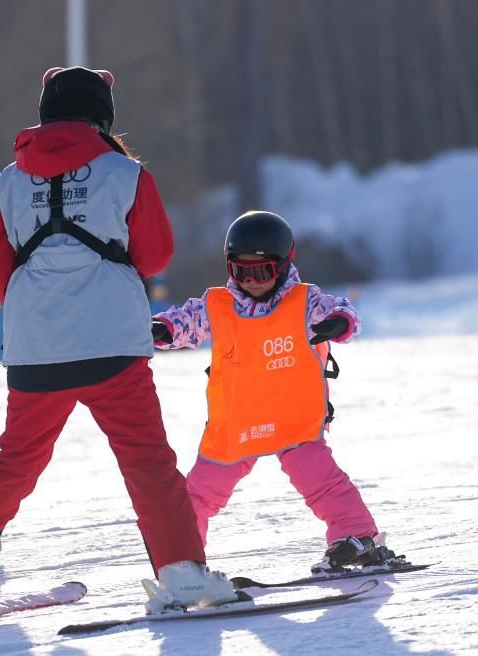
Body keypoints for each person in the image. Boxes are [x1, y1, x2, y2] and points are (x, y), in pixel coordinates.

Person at [0, 66, 239, 623]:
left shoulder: (11, 181)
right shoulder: (126, 173)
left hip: (36, 346)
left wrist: (39, 305)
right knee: (146, 462)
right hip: (112, 341)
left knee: (15, 463)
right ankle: (182, 575)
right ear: (102, 114)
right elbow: (156, 254)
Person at [152, 211, 403, 572]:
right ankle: (182, 558)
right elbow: (184, 321)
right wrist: (162, 329)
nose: (251, 280)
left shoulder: (304, 303)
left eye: (262, 271)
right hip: (236, 421)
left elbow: (343, 309)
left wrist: (339, 322)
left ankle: (356, 535)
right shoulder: (216, 306)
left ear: (284, 264)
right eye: (241, 271)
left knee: (320, 482)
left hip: (293, 419)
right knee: (198, 494)